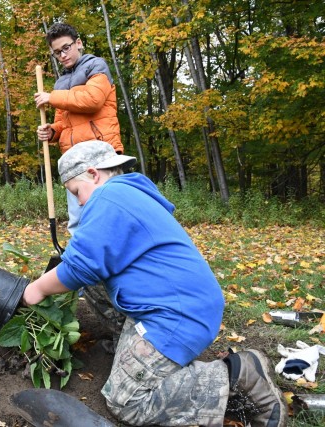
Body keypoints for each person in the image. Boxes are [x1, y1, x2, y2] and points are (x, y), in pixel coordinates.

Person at [22, 140, 288, 426]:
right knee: (97, 284)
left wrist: (35, 289)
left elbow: (81, 265)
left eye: (76, 192)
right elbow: (91, 264)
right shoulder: (130, 195)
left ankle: (237, 374)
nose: (81, 202)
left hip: (176, 315)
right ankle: (135, 351)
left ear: (93, 173)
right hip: (182, 304)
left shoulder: (108, 197)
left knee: (126, 402)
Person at [35, 22, 123, 235]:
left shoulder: (96, 66)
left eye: (66, 48)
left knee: (107, 217)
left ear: (78, 43)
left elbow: (93, 100)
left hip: (102, 157)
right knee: (79, 222)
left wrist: (52, 97)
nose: (63, 55)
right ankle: (84, 265)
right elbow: (63, 123)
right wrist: (52, 132)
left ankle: (116, 265)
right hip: (75, 162)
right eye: (57, 52)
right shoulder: (60, 83)